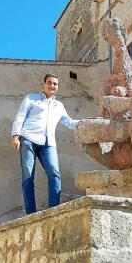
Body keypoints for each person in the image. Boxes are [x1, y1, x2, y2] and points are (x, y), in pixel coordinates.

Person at [11, 73, 79, 214]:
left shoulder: (58, 106)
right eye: (49, 82)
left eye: (55, 84)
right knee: (28, 176)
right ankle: (31, 213)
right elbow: (20, 116)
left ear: (57, 87)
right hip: (28, 139)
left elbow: (69, 122)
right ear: (44, 84)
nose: (52, 85)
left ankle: (53, 210)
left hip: (48, 144)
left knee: (54, 173)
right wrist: (16, 136)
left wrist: (85, 123)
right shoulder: (31, 98)